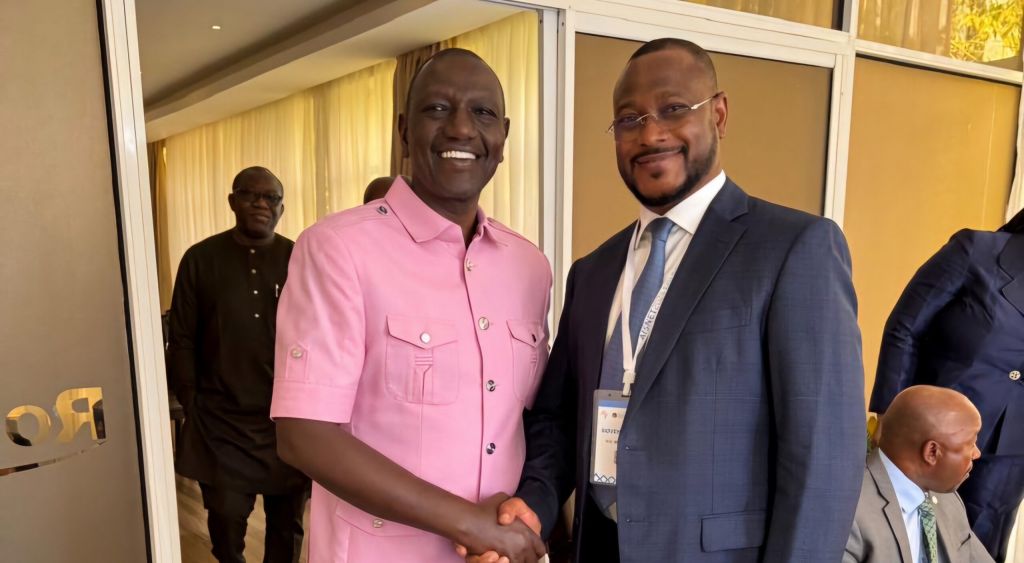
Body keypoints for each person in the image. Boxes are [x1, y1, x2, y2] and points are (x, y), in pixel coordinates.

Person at [476, 37, 865, 563]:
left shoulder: (794, 249)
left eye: (674, 109)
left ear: (720, 114)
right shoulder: (591, 273)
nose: (651, 133)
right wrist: (537, 502)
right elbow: (559, 418)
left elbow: (824, 458)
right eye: (629, 119)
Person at [270, 48, 550, 563]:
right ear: (404, 129)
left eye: (483, 113)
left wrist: (519, 514)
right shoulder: (339, 248)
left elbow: (526, 419)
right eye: (437, 109)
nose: (462, 129)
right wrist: (467, 523)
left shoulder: (529, 266)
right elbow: (304, 434)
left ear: (504, 137)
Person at [167, 166, 309, 563]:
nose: (262, 204)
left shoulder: (298, 257)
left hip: (285, 422)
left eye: (272, 198)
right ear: (233, 201)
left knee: (286, 527)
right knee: (226, 526)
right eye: (251, 195)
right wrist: (192, 400)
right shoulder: (200, 259)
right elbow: (181, 337)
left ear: (282, 207)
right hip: (221, 422)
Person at [870, 208, 1024, 561]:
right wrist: (889, 418)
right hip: (929, 433)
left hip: (1009, 452)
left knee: (980, 547)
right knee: (900, 536)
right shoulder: (977, 251)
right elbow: (905, 330)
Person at [845, 386, 992, 563]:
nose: (977, 454)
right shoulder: (849, 513)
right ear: (931, 452)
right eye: (970, 444)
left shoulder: (947, 498)